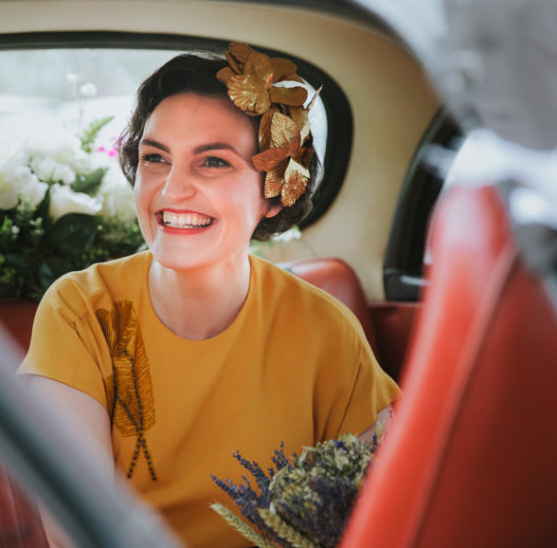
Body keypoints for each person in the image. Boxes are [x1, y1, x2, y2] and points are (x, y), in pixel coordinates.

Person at [20, 43, 399, 547]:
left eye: (213, 162)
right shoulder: (79, 312)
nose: (172, 191)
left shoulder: (327, 332)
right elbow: (80, 535)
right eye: (156, 158)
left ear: (273, 191)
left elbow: (392, 513)